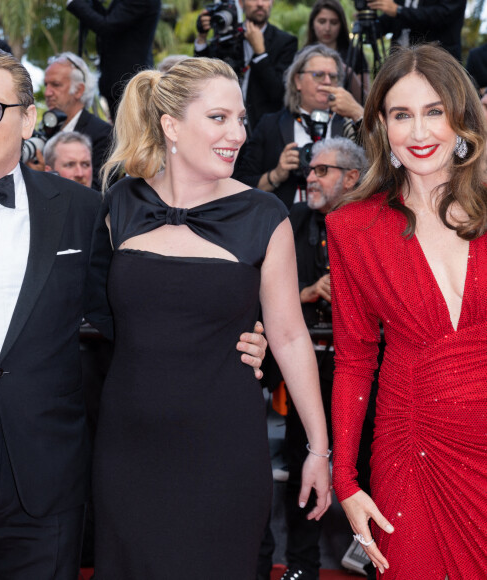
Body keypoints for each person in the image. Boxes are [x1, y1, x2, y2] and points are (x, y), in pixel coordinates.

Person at [0, 45, 268, 579]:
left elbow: (131, 314)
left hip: (48, 480)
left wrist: (228, 338)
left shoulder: (84, 211)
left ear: (28, 118)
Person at [93, 56, 332, 579]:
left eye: (242, 119)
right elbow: (95, 319)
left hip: (224, 447)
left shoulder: (264, 215)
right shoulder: (120, 205)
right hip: (128, 447)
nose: (239, 134)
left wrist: (318, 448)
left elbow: (291, 336)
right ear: (171, 125)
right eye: (219, 118)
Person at [326, 44, 487, 579]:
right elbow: (353, 356)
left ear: (461, 117)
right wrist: (345, 480)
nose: (419, 132)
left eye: (434, 111)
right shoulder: (354, 229)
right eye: (402, 114)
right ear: (381, 126)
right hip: (409, 450)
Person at [277, 137, 366, 580]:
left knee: (372, 465)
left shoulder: (377, 222)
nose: (310, 178)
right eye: (310, 170)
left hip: (370, 371)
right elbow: (263, 298)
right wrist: (309, 293)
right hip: (310, 366)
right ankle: (300, 565)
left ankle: (378, 559)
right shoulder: (291, 221)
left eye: (321, 171)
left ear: (352, 177)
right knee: (303, 463)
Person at [234, 44, 364, 209]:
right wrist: (275, 175)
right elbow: (240, 185)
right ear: (297, 81)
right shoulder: (270, 125)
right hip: (284, 222)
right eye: (318, 75)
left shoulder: (350, 124)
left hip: (341, 221)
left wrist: (359, 113)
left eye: (333, 76)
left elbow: (378, 170)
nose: (327, 81)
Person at [195, 0, 298, 133]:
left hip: (264, 130)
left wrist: (260, 53)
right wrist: (202, 37)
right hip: (225, 127)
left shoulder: (286, 42)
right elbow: (203, 78)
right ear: (241, 3)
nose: (260, 4)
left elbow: (279, 93)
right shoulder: (226, 36)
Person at [66, 0, 161, 121]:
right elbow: (110, 20)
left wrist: (74, 4)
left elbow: (107, 26)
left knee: (130, 133)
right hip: (118, 82)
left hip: (129, 83)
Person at [44, 52, 112, 190]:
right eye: (46, 85)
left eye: (55, 85)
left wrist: (41, 176)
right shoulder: (46, 130)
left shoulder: (103, 134)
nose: (47, 93)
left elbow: (99, 191)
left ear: (79, 90)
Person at [305, 0, 369, 102]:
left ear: (341, 24)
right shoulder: (303, 55)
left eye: (334, 22)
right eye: (322, 21)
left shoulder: (354, 53)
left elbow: (366, 100)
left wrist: (348, 73)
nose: (327, 28)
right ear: (312, 23)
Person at [367, 0, 466, 61]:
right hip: (399, 60)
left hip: (437, 61)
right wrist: (368, 20)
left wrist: (399, 10)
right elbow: (392, 18)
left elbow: (442, 15)